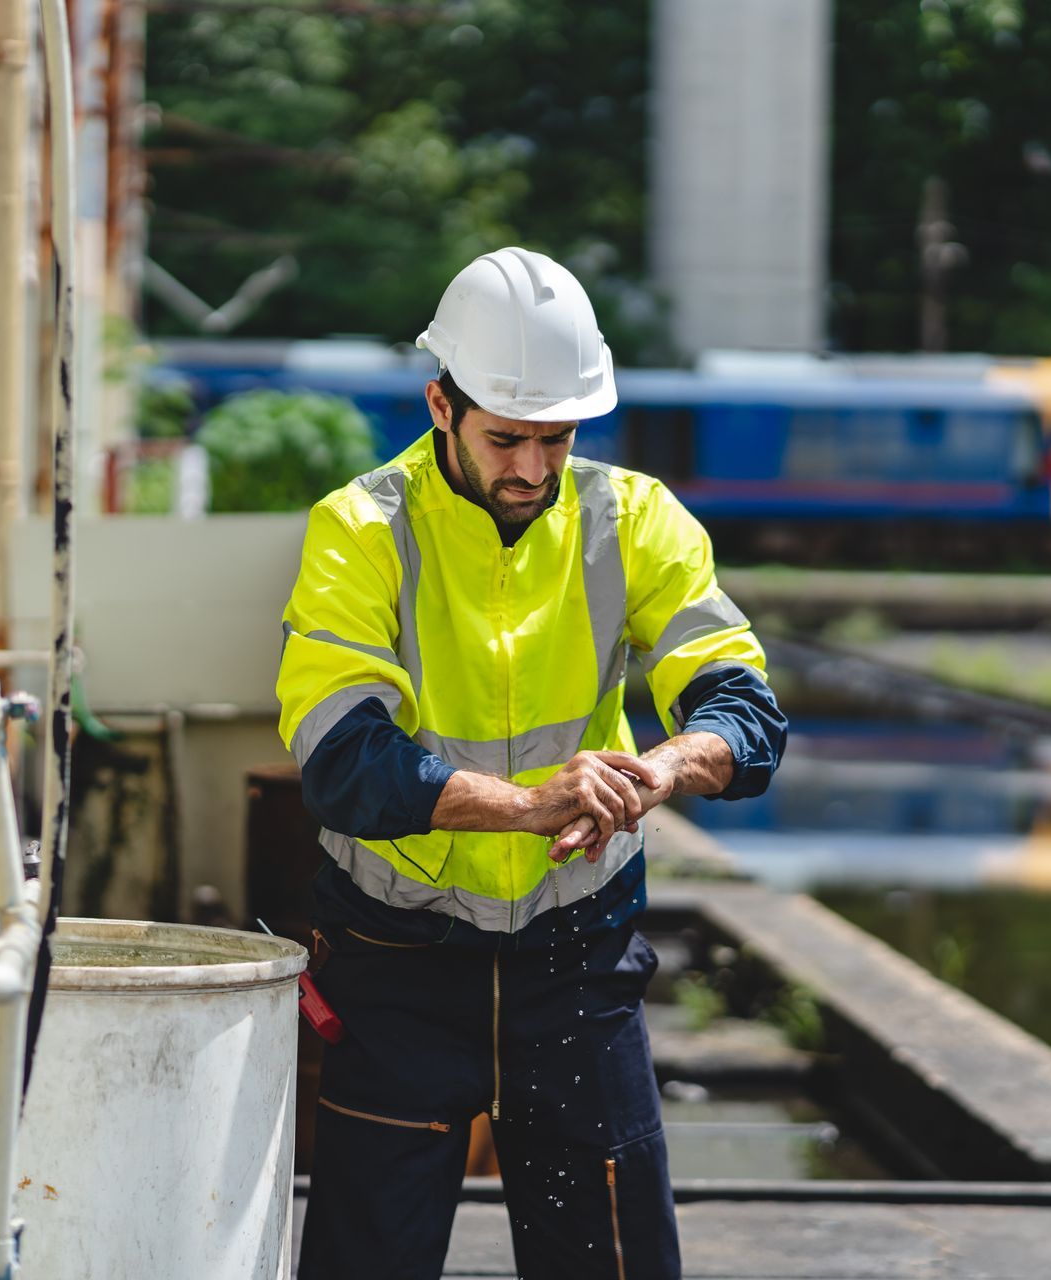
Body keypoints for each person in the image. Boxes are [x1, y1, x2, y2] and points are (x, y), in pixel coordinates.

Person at [277, 246, 786, 1279]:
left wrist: (664, 767)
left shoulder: (633, 518)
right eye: (506, 437)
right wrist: (526, 801)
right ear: (439, 405)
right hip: (399, 963)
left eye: (556, 437)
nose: (532, 468)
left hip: (576, 961)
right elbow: (342, 762)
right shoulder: (362, 529)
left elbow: (743, 707)